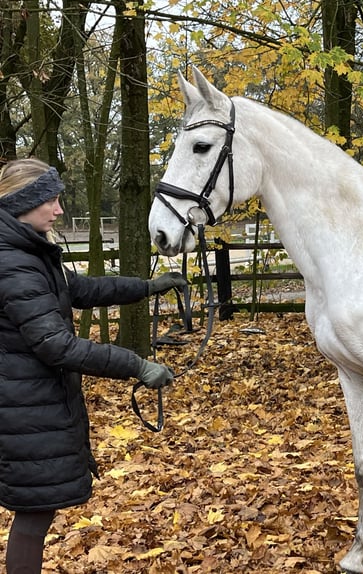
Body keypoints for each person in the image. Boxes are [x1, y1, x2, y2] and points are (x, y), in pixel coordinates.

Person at [0, 158, 186, 573]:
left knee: (35, 515)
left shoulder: (28, 251)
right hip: (24, 408)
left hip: (32, 404)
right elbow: (56, 344)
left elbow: (80, 289)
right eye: (51, 200)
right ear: (23, 203)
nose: (59, 209)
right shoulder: (14, 263)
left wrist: (147, 287)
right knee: (33, 517)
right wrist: (136, 365)